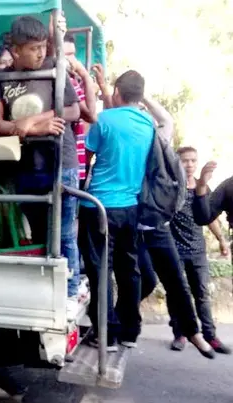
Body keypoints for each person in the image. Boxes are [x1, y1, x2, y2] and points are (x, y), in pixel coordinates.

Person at [0, 16, 82, 317]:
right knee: (39, 232)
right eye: (33, 48)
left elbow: (74, 109)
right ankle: (46, 290)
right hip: (24, 166)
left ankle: (70, 292)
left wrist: (32, 121)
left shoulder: (54, 69)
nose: (41, 53)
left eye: (43, 47)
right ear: (15, 49)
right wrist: (26, 128)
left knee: (64, 233)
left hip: (59, 162)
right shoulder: (1, 79)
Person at [131, 102, 216, 358]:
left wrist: (143, 97)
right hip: (134, 228)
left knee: (177, 281)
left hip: (158, 226)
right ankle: (120, 320)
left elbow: (166, 119)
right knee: (144, 279)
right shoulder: (128, 149)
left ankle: (193, 332)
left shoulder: (159, 146)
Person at [80, 70, 152, 350]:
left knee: (100, 271)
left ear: (118, 92)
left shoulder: (105, 119)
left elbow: (90, 147)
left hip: (98, 205)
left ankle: (105, 334)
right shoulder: (147, 122)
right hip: (130, 207)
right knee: (128, 268)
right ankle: (131, 331)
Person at [168, 146, 231, 354]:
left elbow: (210, 216)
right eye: (185, 160)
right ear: (177, 161)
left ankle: (210, 336)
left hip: (197, 250)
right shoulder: (169, 185)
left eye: (193, 161)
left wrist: (221, 239)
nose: (190, 165)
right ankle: (180, 334)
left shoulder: (202, 188)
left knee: (202, 294)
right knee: (177, 294)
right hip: (174, 250)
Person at [62, 33, 98, 184]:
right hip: (67, 163)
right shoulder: (69, 81)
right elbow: (91, 116)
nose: (73, 60)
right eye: (68, 55)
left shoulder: (71, 80)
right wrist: (85, 75)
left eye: (73, 55)